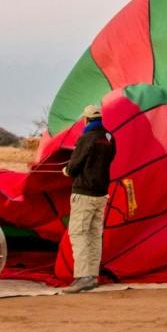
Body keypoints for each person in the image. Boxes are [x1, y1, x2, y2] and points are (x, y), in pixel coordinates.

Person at [62, 108, 115, 291]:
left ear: (86, 120)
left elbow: (74, 166)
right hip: (101, 194)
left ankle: (83, 277)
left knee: (79, 234)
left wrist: (67, 171)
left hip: (84, 194)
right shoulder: (109, 138)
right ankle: (92, 275)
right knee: (94, 234)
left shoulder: (86, 138)